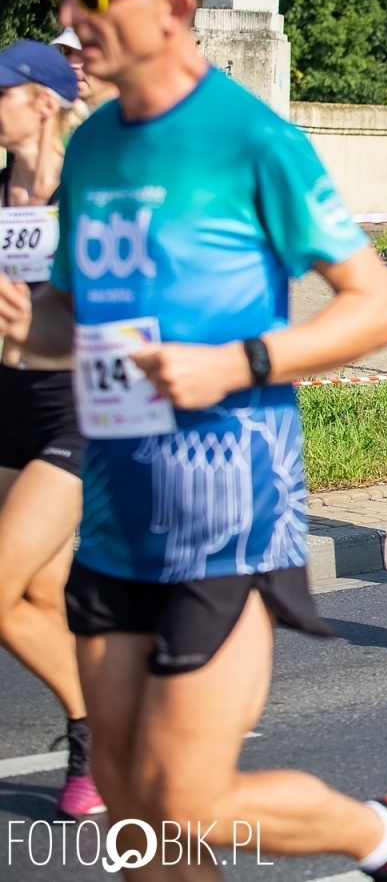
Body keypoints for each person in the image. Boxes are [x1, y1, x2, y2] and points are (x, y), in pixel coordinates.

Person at [1, 0, 387, 880]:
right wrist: (21, 322)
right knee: (131, 811)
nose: (70, 16)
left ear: (166, 8)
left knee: (191, 797)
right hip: (118, 507)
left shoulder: (253, 142)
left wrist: (238, 362)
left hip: (225, 507)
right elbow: (68, 325)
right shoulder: (93, 146)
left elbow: (378, 308)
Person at [0, 40, 103, 818]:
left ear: (40, 99)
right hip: (7, 407)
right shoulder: (3, 193)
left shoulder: (91, 191)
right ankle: (95, 716)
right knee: (25, 595)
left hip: (77, 410)